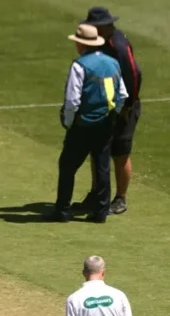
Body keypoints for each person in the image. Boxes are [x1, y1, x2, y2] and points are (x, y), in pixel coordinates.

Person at [43, 24, 128, 223]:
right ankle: (100, 212)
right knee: (102, 166)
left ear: (81, 44)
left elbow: (72, 100)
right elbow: (122, 94)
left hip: (83, 124)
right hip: (106, 123)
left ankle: (62, 210)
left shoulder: (80, 65)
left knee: (67, 165)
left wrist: (69, 122)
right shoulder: (112, 63)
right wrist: (112, 114)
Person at [73, 7, 142, 216]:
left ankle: (120, 198)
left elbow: (133, 74)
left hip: (123, 106)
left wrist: (127, 106)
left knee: (120, 153)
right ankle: (97, 194)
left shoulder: (117, 45)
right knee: (97, 149)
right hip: (105, 104)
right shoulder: (101, 43)